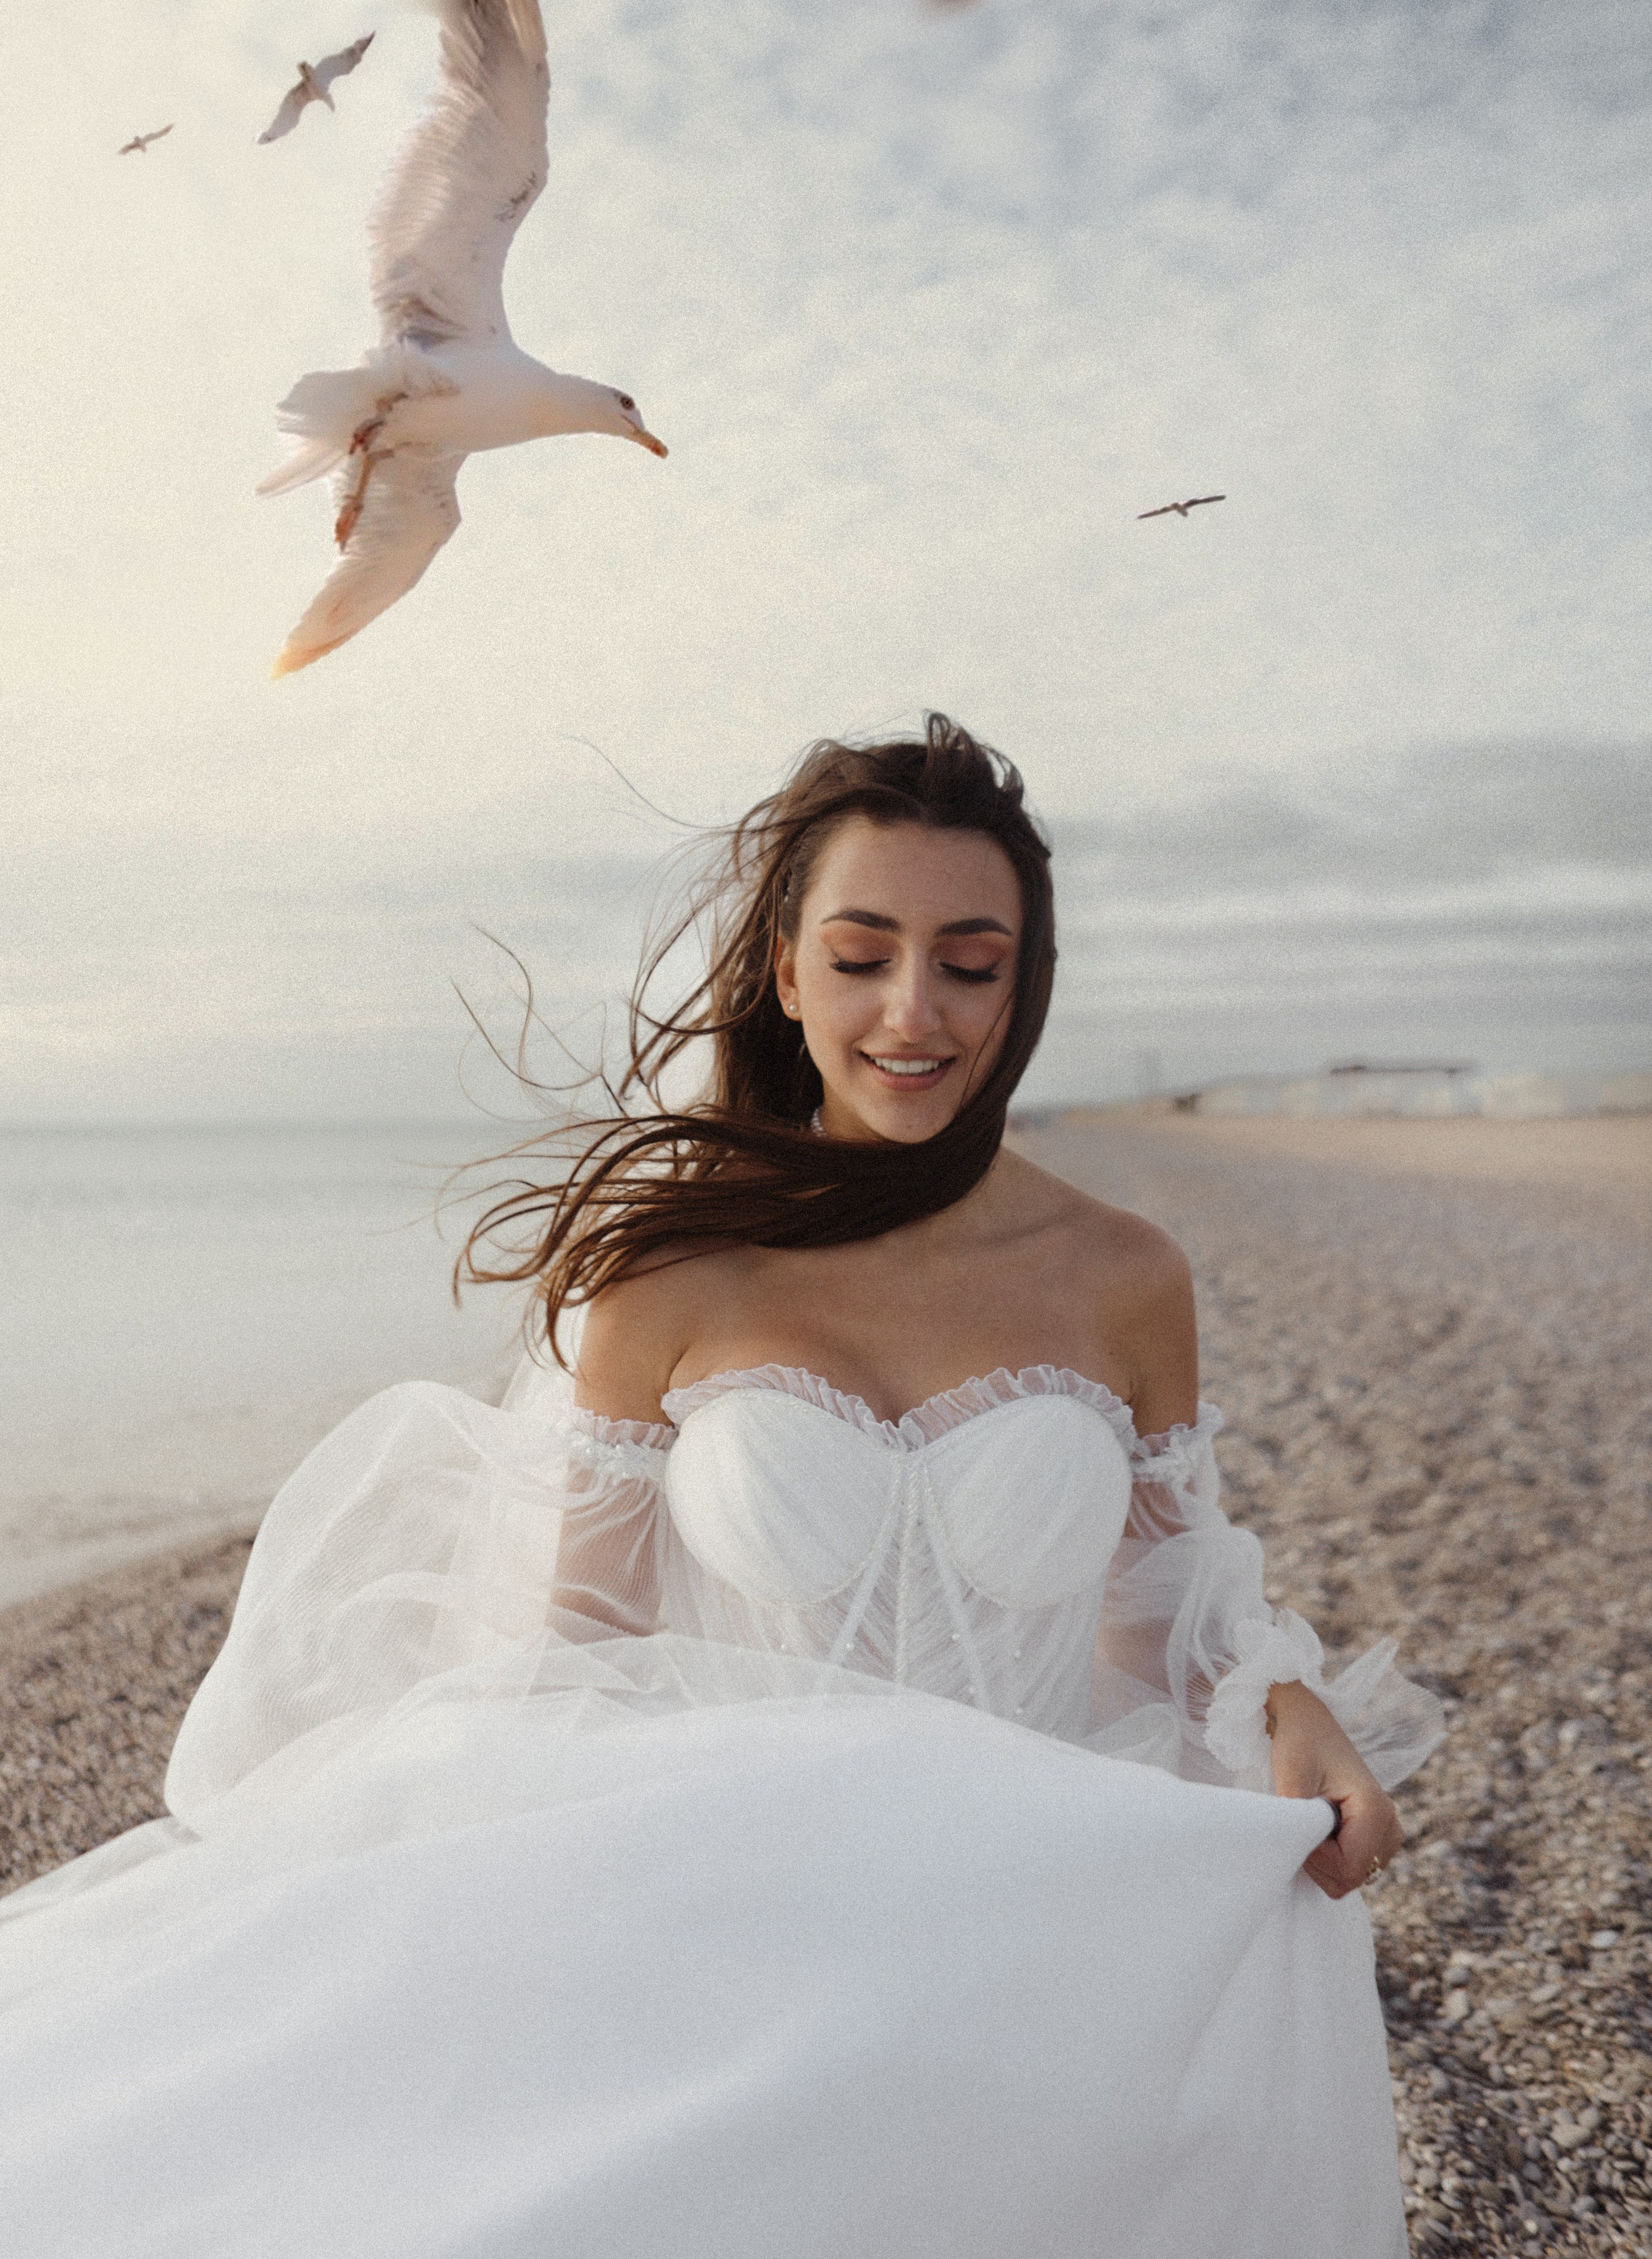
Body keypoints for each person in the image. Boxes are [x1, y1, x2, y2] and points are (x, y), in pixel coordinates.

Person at [0, 716, 1442, 2257]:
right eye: (861, 952)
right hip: (734, 1921)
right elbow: (579, 1652)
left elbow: (1166, 1601)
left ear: (1022, 985)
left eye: (970, 961)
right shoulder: (670, 1275)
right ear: (784, 969)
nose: (913, 1010)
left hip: (1026, 1921)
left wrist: (1286, 1706)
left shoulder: (1121, 1275)